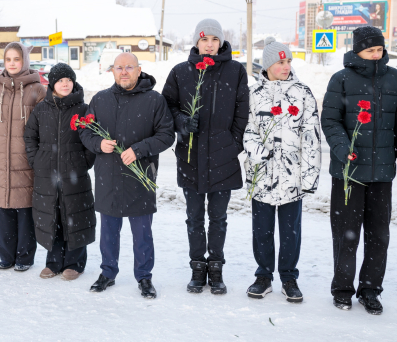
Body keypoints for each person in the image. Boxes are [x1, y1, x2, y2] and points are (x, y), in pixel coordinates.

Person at [162, 19, 249, 294]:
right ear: (196, 43)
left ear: (221, 41)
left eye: (214, 39)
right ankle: (198, 267)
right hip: (191, 155)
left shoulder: (236, 71)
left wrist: (233, 144)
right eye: (204, 39)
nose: (209, 45)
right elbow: (167, 107)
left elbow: (242, 110)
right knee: (194, 216)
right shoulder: (181, 72)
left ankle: (216, 268)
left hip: (223, 156)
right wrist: (183, 123)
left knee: (219, 217)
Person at [79, 52, 174, 299]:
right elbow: (85, 133)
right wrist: (99, 144)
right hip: (107, 177)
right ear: (112, 71)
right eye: (119, 67)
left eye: (129, 67)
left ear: (139, 70)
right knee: (108, 231)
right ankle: (108, 273)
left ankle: (144, 277)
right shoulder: (100, 100)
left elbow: (166, 135)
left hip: (140, 176)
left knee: (142, 232)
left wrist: (139, 149)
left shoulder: (154, 100)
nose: (124, 72)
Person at [322, 26, 395, 315]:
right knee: (346, 235)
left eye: (379, 49)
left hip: (381, 174)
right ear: (357, 51)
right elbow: (330, 121)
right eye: (370, 50)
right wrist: (342, 148)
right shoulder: (340, 80)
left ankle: (370, 290)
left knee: (379, 236)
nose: (376, 55)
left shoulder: (394, 79)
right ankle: (342, 289)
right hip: (348, 173)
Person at [243, 37, 321, 303]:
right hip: (261, 174)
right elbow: (246, 130)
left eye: (288, 61)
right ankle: (263, 275)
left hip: (292, 176)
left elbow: (312, 138)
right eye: (280, 62)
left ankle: (289, 278)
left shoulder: (303, 93)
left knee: (290, 231)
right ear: (268, 65)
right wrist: (259, 153)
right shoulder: (253, 94)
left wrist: (309, 176)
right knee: (261, 230)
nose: (285, 66)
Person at [24, 63, 96, 281]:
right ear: (52, 84)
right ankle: (54, 262)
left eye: (69, 80)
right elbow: (30, 137)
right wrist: (36, 161)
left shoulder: (83, 109)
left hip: (74, 174)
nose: (65, 84)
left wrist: (83, 162)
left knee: (74, 216)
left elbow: (91, 139)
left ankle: (75, 263)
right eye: (60, 80)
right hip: (47, 175)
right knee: (51, 217)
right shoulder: (41, 109)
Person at [0, 42, 45, 272]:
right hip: (0, 159)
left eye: (16, 59)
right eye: (8, 59)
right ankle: (6, 255)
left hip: (25, 160)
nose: (11, 63)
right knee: (4, 208)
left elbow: (43, 124)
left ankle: (25, 257)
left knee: (25, 210)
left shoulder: (37, 90)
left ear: (25, 62)